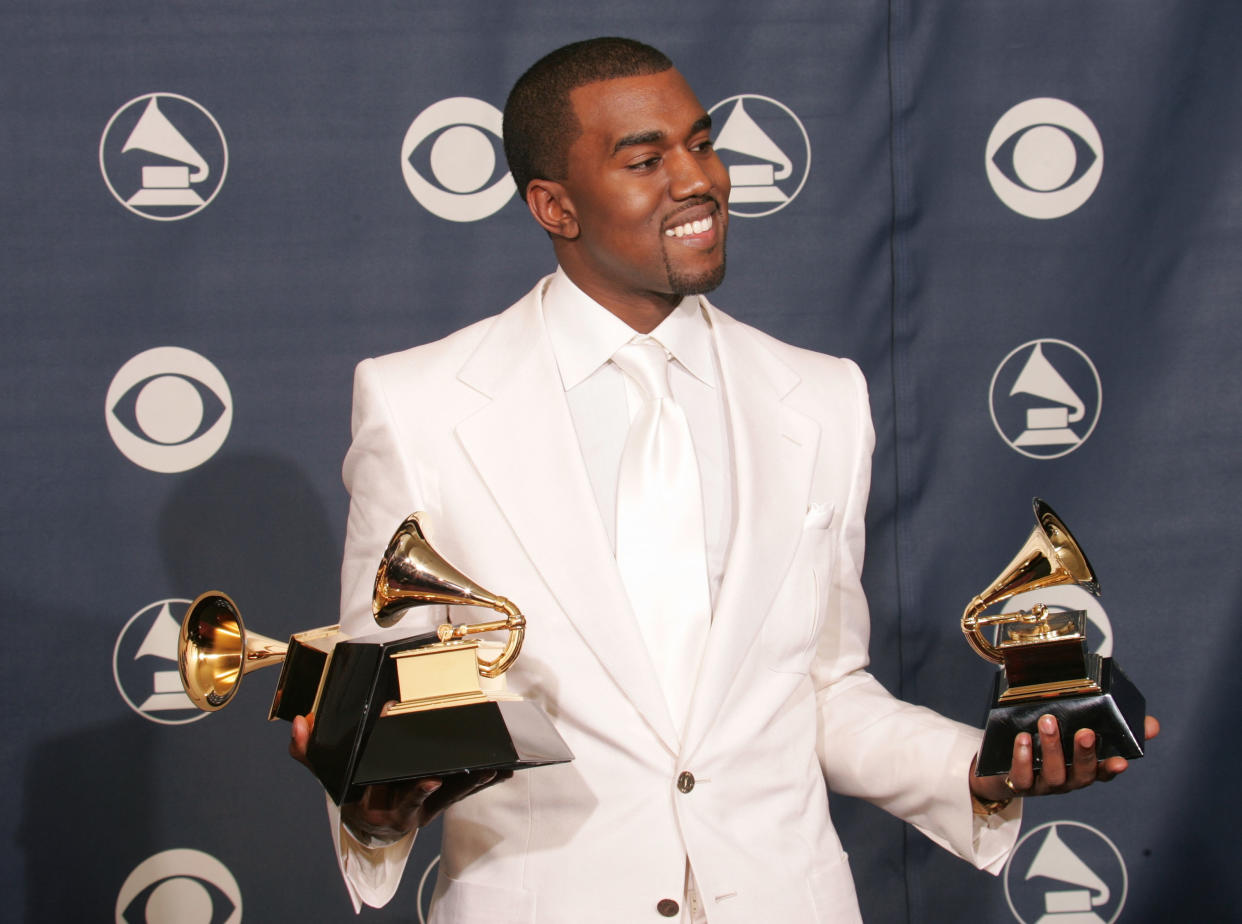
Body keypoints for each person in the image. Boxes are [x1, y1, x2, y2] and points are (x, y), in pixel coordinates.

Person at [290, 37, 1157, 923]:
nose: (697, 178)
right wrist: (374, 801)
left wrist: (977, 768)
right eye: (645, 158)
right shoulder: (419, 404)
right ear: (554, 205)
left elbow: (824, 690)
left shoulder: (822, 397)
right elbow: (389, 700)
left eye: (701, 143)